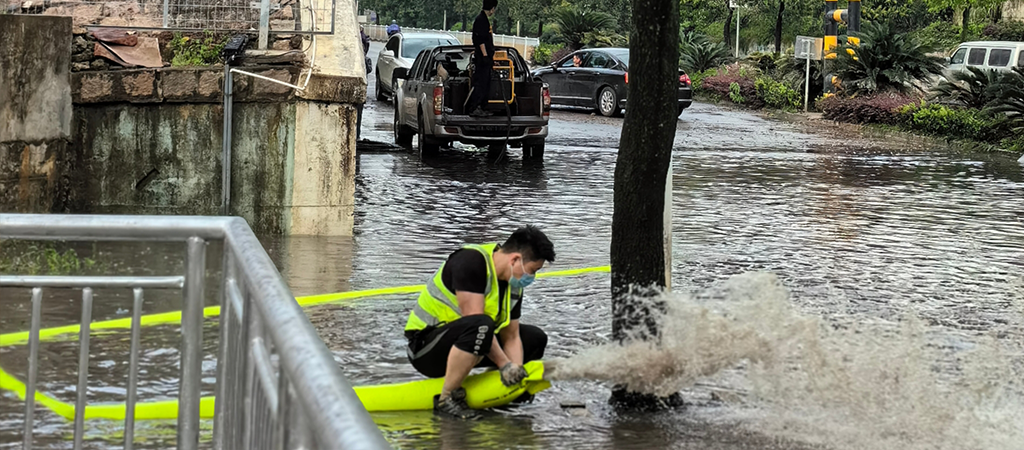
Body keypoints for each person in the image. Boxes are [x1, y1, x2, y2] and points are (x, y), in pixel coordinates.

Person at [404, 225, 556, 419]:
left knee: (535, 339)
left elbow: (511, 336)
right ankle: (446, 398)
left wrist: (516, 369)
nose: (532, 277)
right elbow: (475, 321)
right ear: (515, 259)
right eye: (533, 270)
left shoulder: (513, 284)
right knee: (480, 324)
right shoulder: (471, 262)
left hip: (472, 340)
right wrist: (505, 365)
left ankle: (500, 388)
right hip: (427, 349)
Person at [465, 0, 498, 117]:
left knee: (485, 83)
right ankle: (475, 107)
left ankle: (482, 107)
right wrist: (485, 56)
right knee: (481, 84)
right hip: (482, 58)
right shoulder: (481, 20)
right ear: (492, 8)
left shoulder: (483, 19)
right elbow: (481, 40)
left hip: (485, 58)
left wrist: (491, 60)